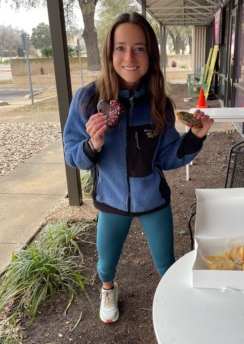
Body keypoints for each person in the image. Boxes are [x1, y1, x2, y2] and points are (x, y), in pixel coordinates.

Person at [63, 12, 214, 324]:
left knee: (166, 265)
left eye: (139, 48)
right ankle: (108, 290)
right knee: (106, 265)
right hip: (112, 201)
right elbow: (72, 156)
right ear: (109, 52)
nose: (129, 57)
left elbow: (169, 156)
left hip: (152, 200)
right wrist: (93, 144)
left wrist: (194, 137)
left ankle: (175, 303)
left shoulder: (159, 102)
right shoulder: (86, 100)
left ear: (151, 54)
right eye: (120, 47)